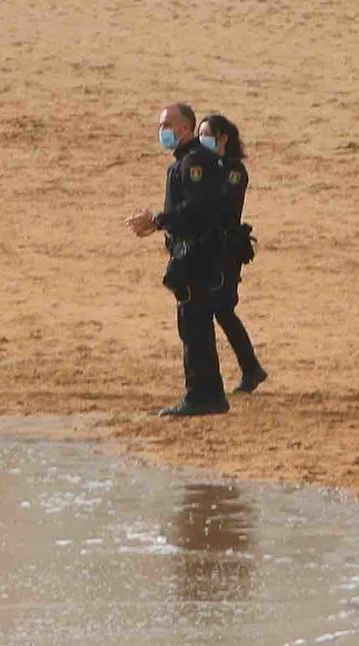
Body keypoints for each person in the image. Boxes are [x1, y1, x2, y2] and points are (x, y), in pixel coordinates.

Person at [125, 102, 229, 417]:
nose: (162, 131)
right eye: (160, 125)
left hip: (197, 254)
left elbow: (196, 209)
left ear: (185, 127)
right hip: (195, 252)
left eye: (167, 125)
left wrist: (157, 220)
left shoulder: (195, 162)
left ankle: (201, 396)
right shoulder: (189, 161)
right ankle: (210, 395)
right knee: (195, 325)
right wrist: (159, 225)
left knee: (194, 326)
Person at [198, 114, 267, 394]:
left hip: (226, 249)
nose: (203, 140)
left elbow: (223, 205)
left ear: (223, 138)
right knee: (220, 310)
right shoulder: (206, 166)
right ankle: (250, 368)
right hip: (207, 247)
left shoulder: (233, 170)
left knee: (222, 308)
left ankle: (251, 368)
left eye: (207, 134)